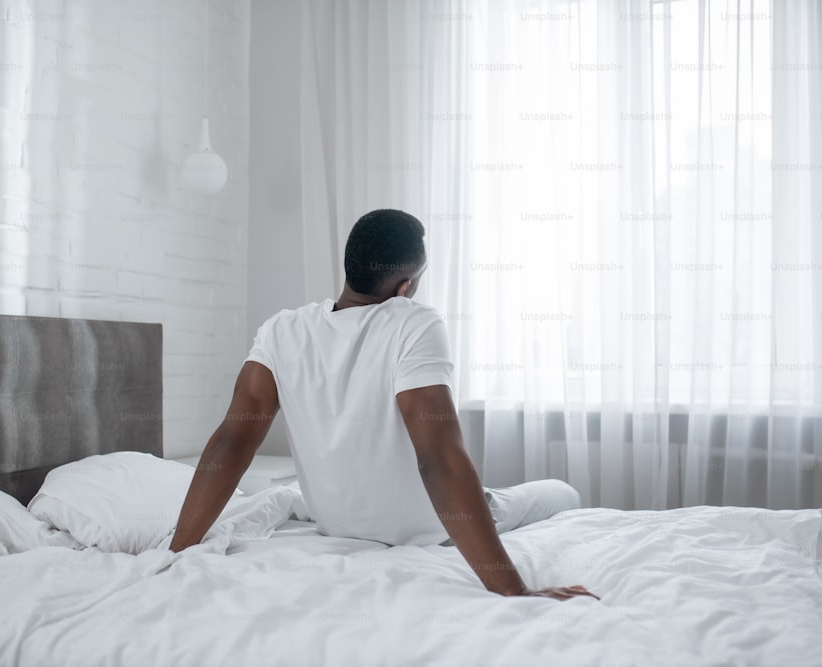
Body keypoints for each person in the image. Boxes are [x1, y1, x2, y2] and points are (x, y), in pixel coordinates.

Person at [170, 208, 598, 601]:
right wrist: (511, 588)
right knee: (564, 491)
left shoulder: (281, 329)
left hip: (337, 524)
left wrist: (177, 549)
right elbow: (440, 458)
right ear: (404, 286)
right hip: (430, 529)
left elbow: (233, 439)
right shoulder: (414, 321)